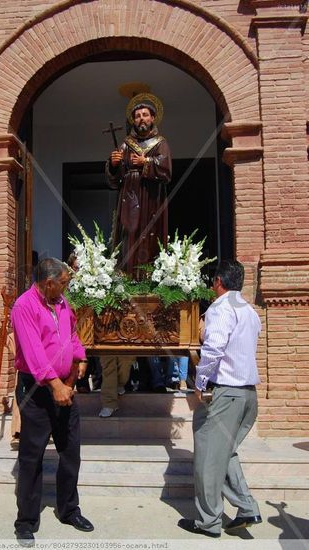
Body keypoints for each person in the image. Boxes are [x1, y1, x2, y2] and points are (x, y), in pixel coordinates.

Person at [11, 258, 94, 547]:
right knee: (31, 457)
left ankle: (69, 509)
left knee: (70, 452)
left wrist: (80, 356)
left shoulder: (61, 302)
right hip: (38, 391)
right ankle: (26, 520)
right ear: (48, 283)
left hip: (65, 388)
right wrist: (56, 384)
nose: (66, 288)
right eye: (63, 283)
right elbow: (33, 352)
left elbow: (71, 334)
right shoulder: (24, 306)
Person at [178, 260, 262, 538]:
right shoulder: (250, 311)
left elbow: (213, 349)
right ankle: (247, 506)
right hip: (248, 394)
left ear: (218, 282)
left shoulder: (221, 308)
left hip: (226, 392)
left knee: (207, 458)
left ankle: (208, 521)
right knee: (225, 453)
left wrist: (200, 382)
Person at [106, 93, 172, 279]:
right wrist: (114, 163)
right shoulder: (127, 144)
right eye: (137, 116)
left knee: (150, 233)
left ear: (152, 118)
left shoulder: (161, 143)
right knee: (129, 232)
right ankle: (127, 276)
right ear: (133, 121)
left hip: (151, 196)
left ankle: (149, 277)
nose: (141, 118)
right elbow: (115, 179)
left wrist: (146, 161)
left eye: (145, 114)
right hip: (129, 195)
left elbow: (166, 170)